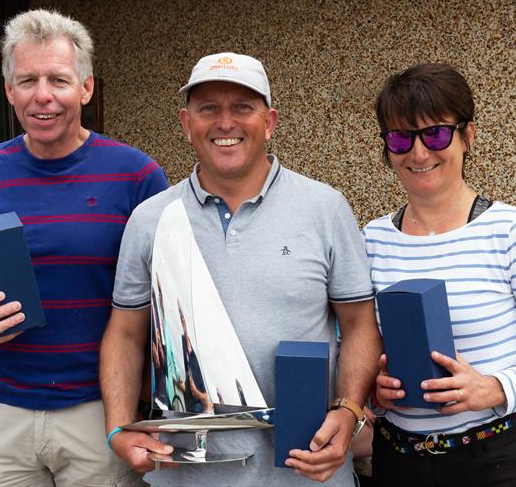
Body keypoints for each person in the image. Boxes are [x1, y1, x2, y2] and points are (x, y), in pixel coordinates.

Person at [100, 52, 382, 486]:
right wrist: (119, 425)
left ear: (269, 122)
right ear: (185, 123)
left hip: (306, 472)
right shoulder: (151, 219)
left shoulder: (325, 208)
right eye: (208, 108)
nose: (225, 122)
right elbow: (125, 332)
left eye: (242, 108)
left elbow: (360, 324)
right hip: (187, 474)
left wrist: (349, 412)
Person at [0, 9, 167, 486]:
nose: (43, 95)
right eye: (27, 80)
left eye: (59, 80)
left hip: (99, 411)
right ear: (9, 91)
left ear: (85, 88)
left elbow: (163, 307)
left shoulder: (138, 177)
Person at [365, 63, 516, 486]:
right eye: (399, 138)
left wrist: (494, 387)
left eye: (435, 134)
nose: (418, 153)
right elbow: (361, 348)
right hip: (398, 461)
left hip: (494, 461)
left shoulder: (513, 232)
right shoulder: (371, 240)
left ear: (468, 136)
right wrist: (375, 395)